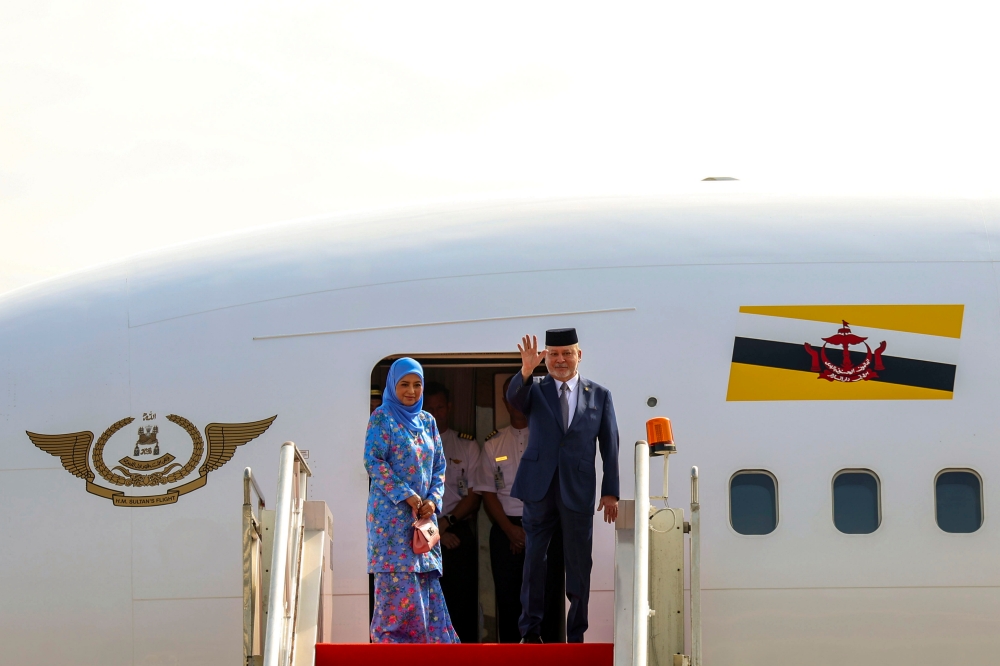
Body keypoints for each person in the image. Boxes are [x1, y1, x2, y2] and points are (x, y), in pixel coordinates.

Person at [506, 328, 619, 644]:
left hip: (578, 490)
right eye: (553, 354)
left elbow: (610, 446)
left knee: (579, 564)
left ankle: (576, 634)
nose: (560, 360)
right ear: (546, 358)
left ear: (578, 355)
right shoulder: (536, 390)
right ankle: (530, 631)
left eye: (566, 353)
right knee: (534, 561)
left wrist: (611, 491)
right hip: (539, 488)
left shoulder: (599, 395)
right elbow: (514, 399)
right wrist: (526, 371)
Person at [364, 358, 459, 643]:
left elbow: (440, 467)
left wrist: (433, 500)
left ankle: (429, 654)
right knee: (397, 591)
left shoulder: (427, 422)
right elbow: (373, 461)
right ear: (393, 386)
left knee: (426, 586)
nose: (411, 390)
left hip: (422, 521)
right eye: (404, 384)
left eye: (417, 384)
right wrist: (407, 494)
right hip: (390, 524)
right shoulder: (382, 417)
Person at [475, 375, 566, 643]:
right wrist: (511, 531)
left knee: (548, 597)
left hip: (545, 528)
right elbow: (488, 492)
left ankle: (549, 656)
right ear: (505, 401)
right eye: (511, 395)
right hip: (507, 529)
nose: (517, 401)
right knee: (509, 598)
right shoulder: (494, 444)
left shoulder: (551, 438)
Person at [423, 382, 482, 643]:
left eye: (440, 408)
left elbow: (474, 496)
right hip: (422, 532)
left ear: (449, 407)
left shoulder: (466, 446)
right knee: (426, 604)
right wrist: (436, 532)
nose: (436, 414)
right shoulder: (415, 447)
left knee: (462, 601)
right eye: (430, 409)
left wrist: (446, 524)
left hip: (456, 529)